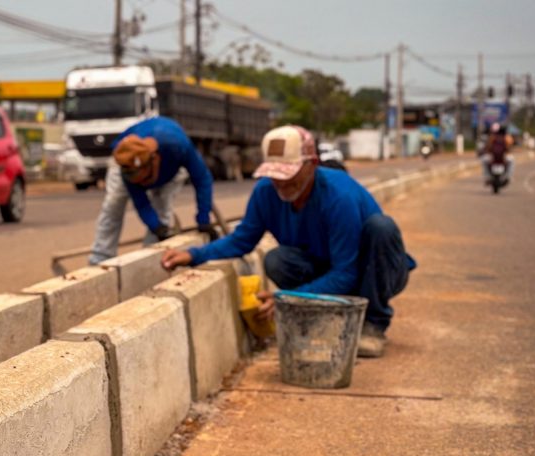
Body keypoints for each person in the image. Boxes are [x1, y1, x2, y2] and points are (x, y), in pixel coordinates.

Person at [161, 125, 416, 358]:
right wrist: (194, 255)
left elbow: (346, 272)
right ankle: (322, 315)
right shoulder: (265, 192)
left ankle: (372, 324)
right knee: (277, 260)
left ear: (311, 164)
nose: (281, 182)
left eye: (289, 174)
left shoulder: (339, 197)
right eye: (275, 174)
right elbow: (242, 240)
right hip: (327, 268)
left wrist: (286, 297)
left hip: (371, 273)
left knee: (381, 227)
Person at [88, 116, 216, 265]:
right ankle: (100, 258)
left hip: (169, 167)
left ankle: (153, 257)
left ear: (154, 160)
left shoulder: (177, 147)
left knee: (162, 210)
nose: (142, 184)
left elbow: (202, 179)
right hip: (130, 160)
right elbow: (141, 203)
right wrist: (156, 227)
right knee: (113, 205)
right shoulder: (127, 164)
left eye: (143, 179)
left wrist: (204, 220)